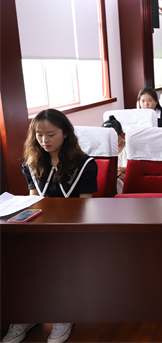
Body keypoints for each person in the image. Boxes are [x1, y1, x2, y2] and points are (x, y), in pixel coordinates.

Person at [7, 109, 99, 343]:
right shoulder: (31, 163)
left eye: (51, 134)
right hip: (43, 228)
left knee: (57, 259)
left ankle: (63, 313)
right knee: (15, 258)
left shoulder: (85, 164)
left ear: (65, 133)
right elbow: (34, 201)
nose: (44, 140)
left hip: (73, 230)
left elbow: (86, 206)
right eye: (39, 135)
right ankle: (26, 313)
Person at [102, 115, 127, 194]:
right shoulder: (103, 150)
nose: (112, 140)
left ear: (121, 134)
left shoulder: (129, 148)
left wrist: (124, 169)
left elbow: (137, 170)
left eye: (115, 136)